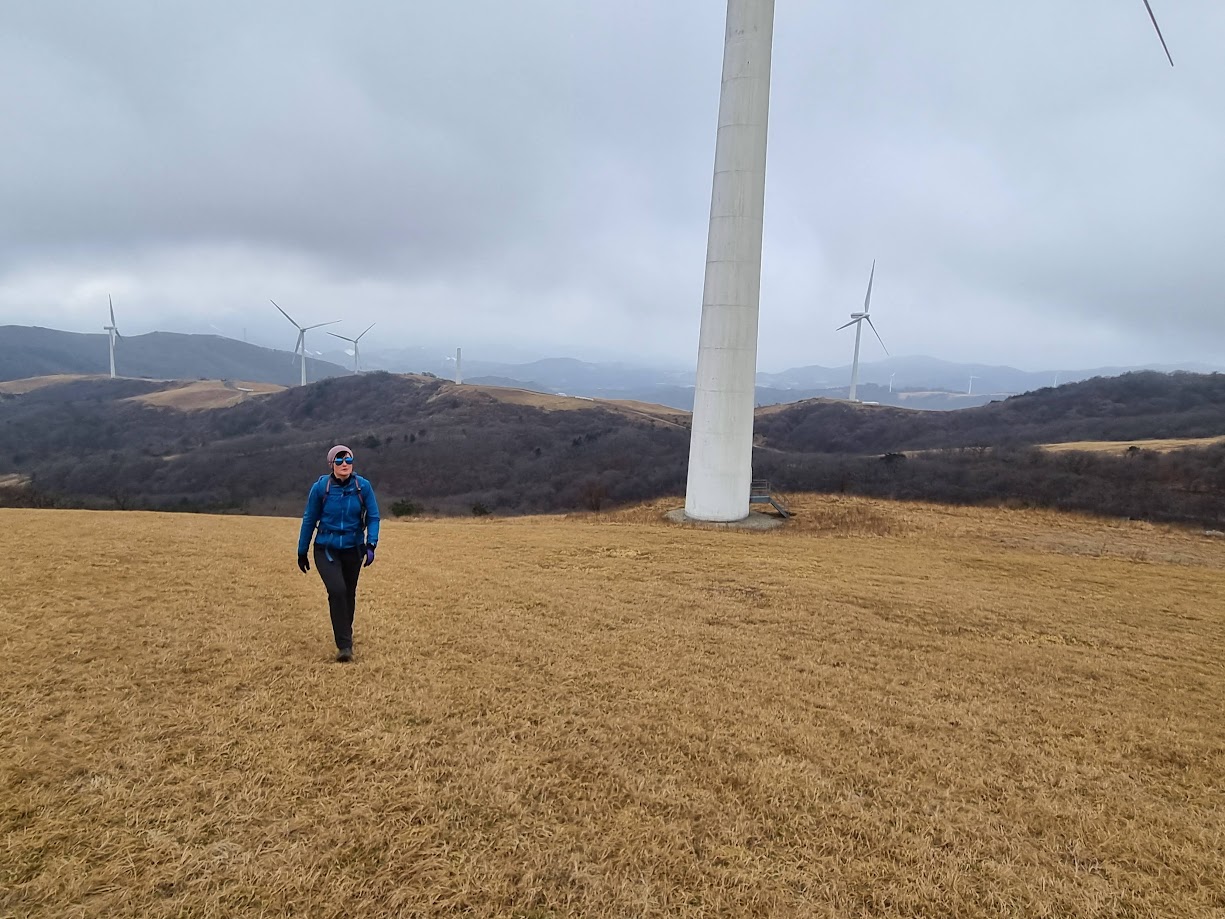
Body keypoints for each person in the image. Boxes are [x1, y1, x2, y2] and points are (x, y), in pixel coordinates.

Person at [297, 444, 381, 662]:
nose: (345, 464)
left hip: (353, 549)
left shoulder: (363, 487)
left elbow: (373, 517)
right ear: (331, 464)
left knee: (349, 593)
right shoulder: (320, 488)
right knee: (337, 590)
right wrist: (302, 550)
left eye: (349, 460)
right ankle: (344, 645)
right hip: (326, 548)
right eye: (339, 460)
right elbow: (309, 519)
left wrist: (371, 544)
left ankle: (346, 635)